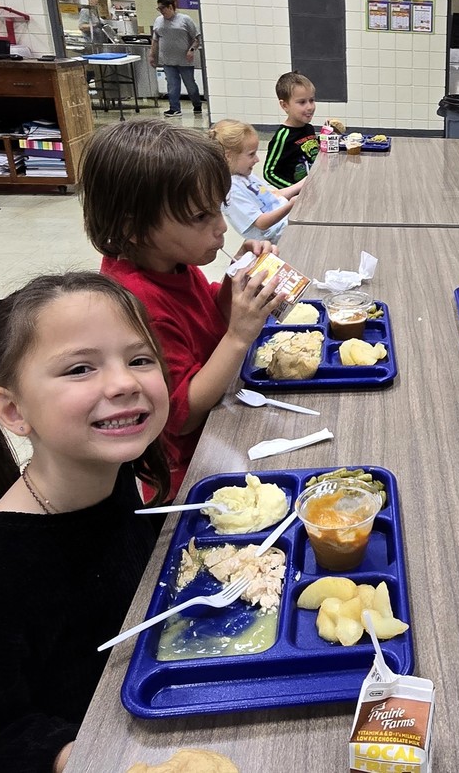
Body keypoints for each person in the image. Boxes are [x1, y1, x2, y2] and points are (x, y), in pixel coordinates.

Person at [0, 272, 171, 773]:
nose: (125, 383)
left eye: (139, 359)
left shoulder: (114, 475)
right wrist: (77, 755)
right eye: (80, 369)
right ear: (12, 409)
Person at [80, 119, 281, 499]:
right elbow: (183, 415)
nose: (221, 227)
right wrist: (239, 336)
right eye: (200, 217)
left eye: (218, 209)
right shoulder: (137, 306)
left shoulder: (171, 261)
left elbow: (208, 317)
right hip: (190, 476)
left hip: (222, 424)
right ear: (135, 228)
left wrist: (237, 276)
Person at [209, 119, 306, 242]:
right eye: (251, 154)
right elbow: (262, 223)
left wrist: (302, 184)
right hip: (281, 238)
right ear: (228, 156)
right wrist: (291, 205)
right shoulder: (230, 192)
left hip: (290, 224)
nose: (257, 159)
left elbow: (273, 196)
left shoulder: (246, 175)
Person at [262, 70, 319, 188]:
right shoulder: (282, 137)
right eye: (302, 102)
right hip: (296, 195)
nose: (310, 107)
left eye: (312, 100)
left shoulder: (309, 128)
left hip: (313, 187)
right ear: (285, 105)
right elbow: (269, 173)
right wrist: (293, 189)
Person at [149, 0, 202, 118]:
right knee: (172, 85)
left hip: (185, 60)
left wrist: (191, 50)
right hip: (167, 60)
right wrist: (152, 55)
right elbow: (155, 40)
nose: (161, 11)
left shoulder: (185, 19)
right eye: (159, 9)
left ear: (170, 7)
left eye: (162, 8)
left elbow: (196, 38)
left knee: (190, 84)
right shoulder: (158, 21)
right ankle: (174, 108)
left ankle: (197, 104)